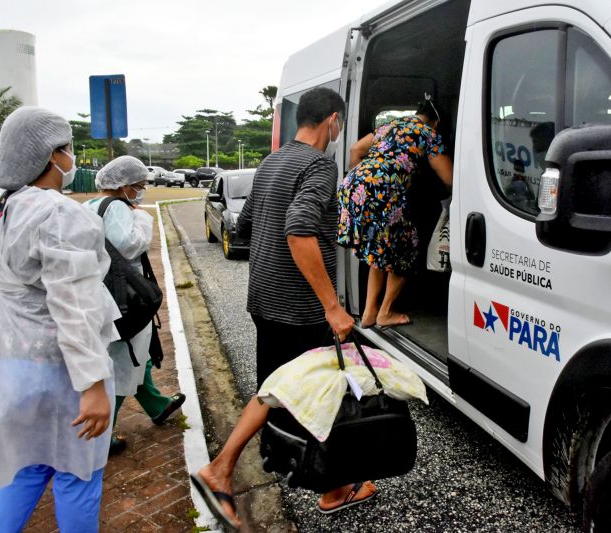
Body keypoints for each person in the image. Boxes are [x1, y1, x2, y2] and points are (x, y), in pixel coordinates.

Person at [192, 87, 375, 531]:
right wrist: (332, 305)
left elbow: (247, 222)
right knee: (320, 390)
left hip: (265, 299)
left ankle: (224, 467)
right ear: (332, 121)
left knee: (277, 387)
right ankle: (331, 488)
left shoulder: (271, 162)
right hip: (300, 308)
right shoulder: (317, 165)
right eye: (339, 125)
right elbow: (298, 229)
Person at [0, 107, 118, 532]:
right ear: (52, 155)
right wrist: (92, 386)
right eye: (67, 149)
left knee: (26, 467)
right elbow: (75, 305)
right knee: (78, 473)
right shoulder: (61, 215)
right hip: (58, 364)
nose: (71, 158)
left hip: (6, 353)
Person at [85, 155, 185, 455]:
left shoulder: (88, 205)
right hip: (126, 295)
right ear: (124, 185)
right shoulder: (116, 207)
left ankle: (157, 405)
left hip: (102, 291)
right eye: (138, 185)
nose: (141, 191)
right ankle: (102, 437)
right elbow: (129, 244)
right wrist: (142, 218)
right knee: (123, 360)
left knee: (135, 354)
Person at [337, 96, 454, 328]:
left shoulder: (389, 125)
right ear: (437, 122)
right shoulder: (428, 134)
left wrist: (366, 179)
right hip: (382, 193)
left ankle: (370, 313)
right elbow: (449, 177)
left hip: (353, 187)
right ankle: (386, 312)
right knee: (406, 250)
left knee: (379, 251)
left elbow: (355, 149)